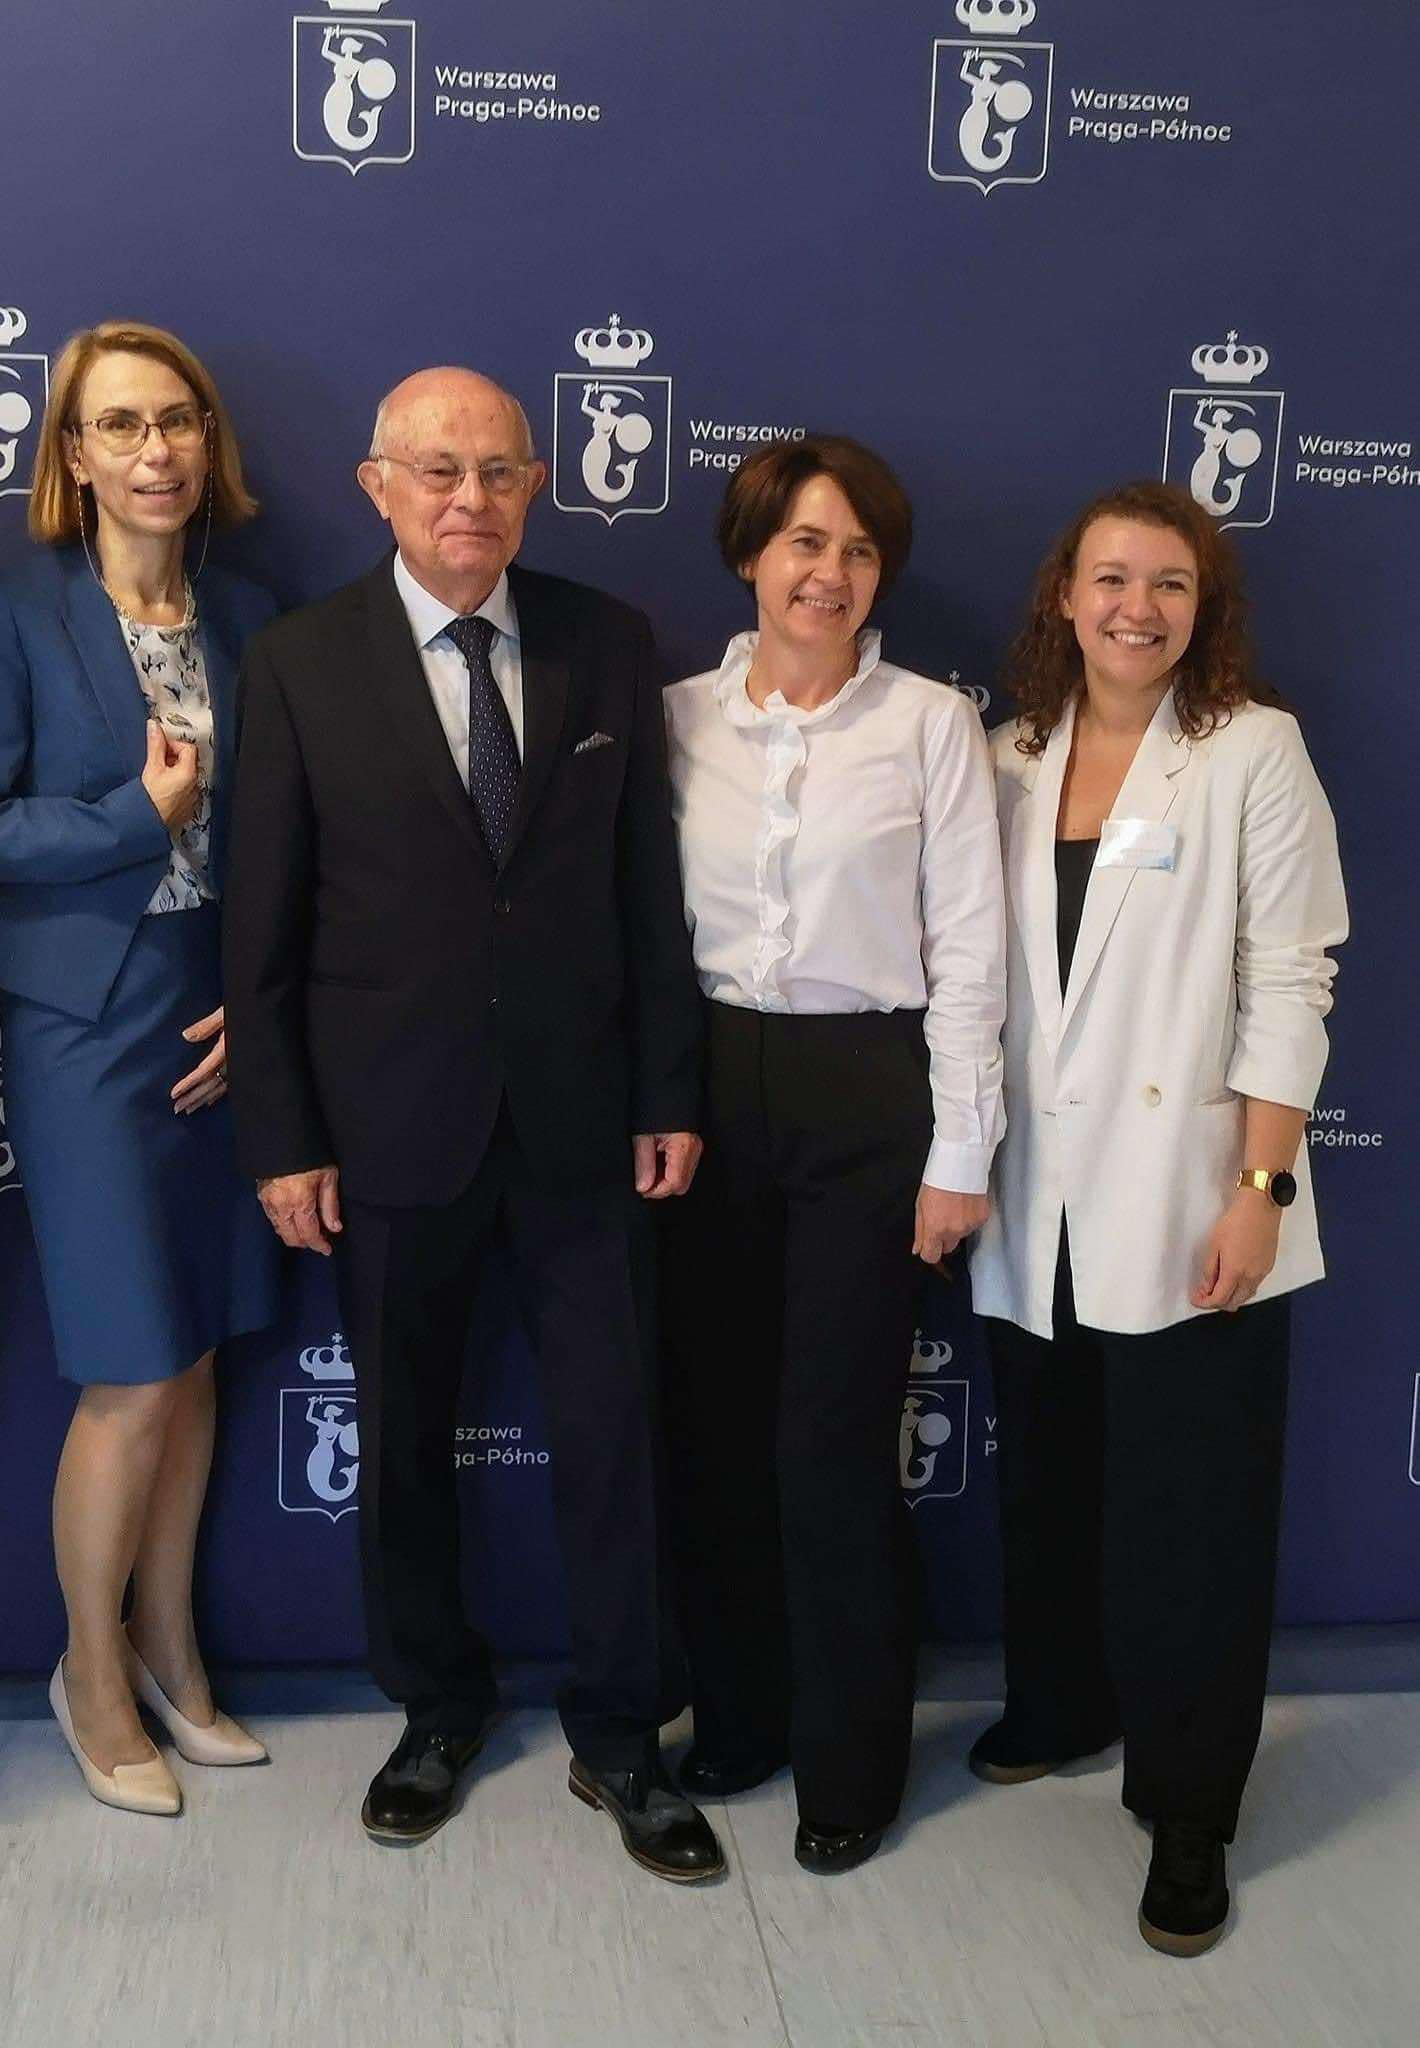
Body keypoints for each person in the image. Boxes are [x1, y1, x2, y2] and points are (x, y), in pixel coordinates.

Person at [225, 367, 723, 1884]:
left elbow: (649, 890)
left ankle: (624, 1733)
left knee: (618, 1438)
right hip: (387, 1127)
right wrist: (282, 1134)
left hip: (586, 1123)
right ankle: (434, 1709)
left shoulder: (605, 640)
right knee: (399, 1438)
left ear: (535, 487)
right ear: (377, 486)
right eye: (437, 471)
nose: (469, 499)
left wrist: (667, 1090)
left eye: (499, 471)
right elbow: (262, 923)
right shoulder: (300, 660)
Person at [967, 480, 1347, 1957]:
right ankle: (1065, 1705)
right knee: (1053, 1483)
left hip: (1195, 1204)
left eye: (1170, 585)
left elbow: (1292, 978)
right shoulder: (1008, 754)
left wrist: (1259, 1189)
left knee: (1191, 1523)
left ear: (1204, 609)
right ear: (1066, 598)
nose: (1138, 608)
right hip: (1041, 1204)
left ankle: (1190, 1812)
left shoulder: (1250, 750)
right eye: (1113, 580)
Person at [0, 321, 279, 1816]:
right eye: (121, 425)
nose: (156, 451)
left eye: (177, 421)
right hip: (84, 1022)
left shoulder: (252, 617)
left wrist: (265, 1003)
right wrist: (137, 819)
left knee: (196, 1356)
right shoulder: (19, 609)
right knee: (132, 1367)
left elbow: (296, 839)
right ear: (72, 454)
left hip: (218, 1014)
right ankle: (85, 1673)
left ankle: (168, 1647)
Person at [658, 437, 1006, 1873]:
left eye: (860, 551)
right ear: (751, 553)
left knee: (830, 1441)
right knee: (717, 1430)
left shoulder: (932, 724)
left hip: (868, 1092)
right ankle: (740, 1715)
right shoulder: (676, 717)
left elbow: (970, 950)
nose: (831, 574)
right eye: (805, 543)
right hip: (706, 1090)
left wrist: (960, 1150)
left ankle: (851, 1756)